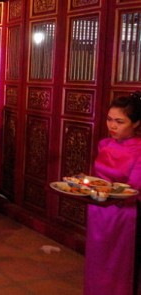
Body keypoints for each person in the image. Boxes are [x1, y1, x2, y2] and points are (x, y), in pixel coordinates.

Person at [84, 91, 141, 295]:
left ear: (135, 123)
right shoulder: (105, 144)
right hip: (98, 210)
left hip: (122, 214)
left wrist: (107, 190)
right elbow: (98, 177)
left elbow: (134, 189)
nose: (112, 126)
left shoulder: (139, 149)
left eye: (119, 121)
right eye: (109, 119)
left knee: (117, 264)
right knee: (96, 261)